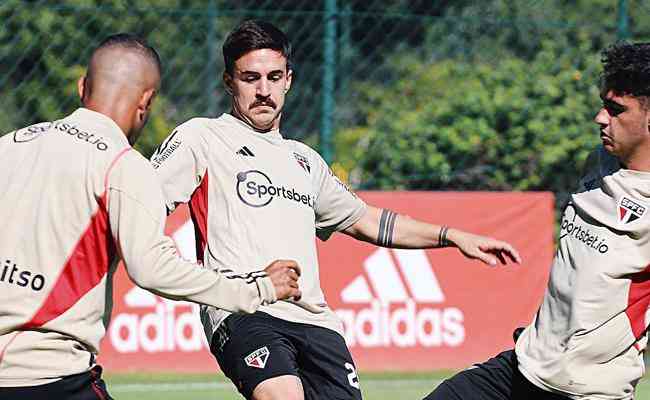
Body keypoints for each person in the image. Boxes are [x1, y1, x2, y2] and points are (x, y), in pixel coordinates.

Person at [151, 20, 521, 400]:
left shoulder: (305, 161)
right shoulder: (202, 138)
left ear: (289, 80)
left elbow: (367, 221)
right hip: (246, 310)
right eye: (250, 78)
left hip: (316, 323)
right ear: (229, 82)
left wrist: (452, 236)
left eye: (274, 77)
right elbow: (141, 204)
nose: (264, 90)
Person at [0, 33, 303, 400]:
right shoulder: (122, 166)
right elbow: (153, 268)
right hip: (49, 377)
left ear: (83, 87)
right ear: (146, 102)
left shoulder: (10, 144)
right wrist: (258, 289)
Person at [424, 41, 650, 400]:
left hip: (587, 392)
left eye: (615, 109)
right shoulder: (598, 161)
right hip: (523, 367)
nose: (600, 118)